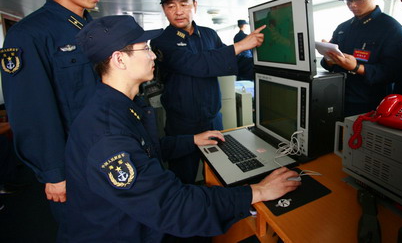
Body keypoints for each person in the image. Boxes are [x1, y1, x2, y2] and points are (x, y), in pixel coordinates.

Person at [66, 15, 299, 242]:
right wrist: (257, 192)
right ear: (119, 60)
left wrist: (192, 140)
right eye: (145, 49)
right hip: (128, 232)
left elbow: (145, 150)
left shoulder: (119, 106)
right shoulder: (107, 134)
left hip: (138, 220)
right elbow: (171, 206)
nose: (153, 57)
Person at [0, 0, 118, 239]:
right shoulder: (29, 35)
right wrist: (53, 173)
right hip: (75, 167)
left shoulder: (96, 29)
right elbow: (31, 112)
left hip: (112, 152)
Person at [151, 0, 265, 184]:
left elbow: (235, 63)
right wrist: (239, 45)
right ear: (164, 10)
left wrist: (266, 70)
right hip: (182, 126)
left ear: (194, 5)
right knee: (182, 179)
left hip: (213, 120)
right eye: (171, 6)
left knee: (219, 174)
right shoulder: (162, 41)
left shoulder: (210, 34)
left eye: (184, 4)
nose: (178, 11)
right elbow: (196, 64)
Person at [320, 0, 402, 117]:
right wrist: (329, 58)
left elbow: (392, 73)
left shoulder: (391, 29)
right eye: (348, 0)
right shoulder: (343, 28)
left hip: (368, 107)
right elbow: (326, 65)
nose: (352, 5)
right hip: (336, 100)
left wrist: (356, 67)